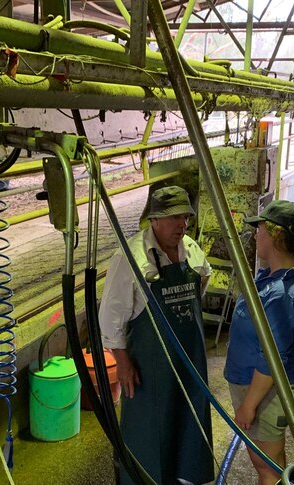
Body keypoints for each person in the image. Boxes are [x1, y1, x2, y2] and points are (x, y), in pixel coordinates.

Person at [99, 186, 214, 485]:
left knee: (188, 423)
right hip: (151, 366)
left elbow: (204, 277)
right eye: (175, 217)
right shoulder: (131, 258)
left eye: (186, 217)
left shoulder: (190, 248)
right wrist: (122, 362)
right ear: (155, 220)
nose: (183, 225)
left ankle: (184, 478)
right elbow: (110, 318)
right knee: (151, 429)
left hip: (190, 357)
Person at [223, 199, 294, 485]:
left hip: (263, 392)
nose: (257, 235)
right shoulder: (277, 276)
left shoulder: (283, 295)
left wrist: (249, 406)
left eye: (261, 229)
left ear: (276, 236)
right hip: (256, 385)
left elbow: (272, 360)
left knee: (266, 466)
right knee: (271, 461)